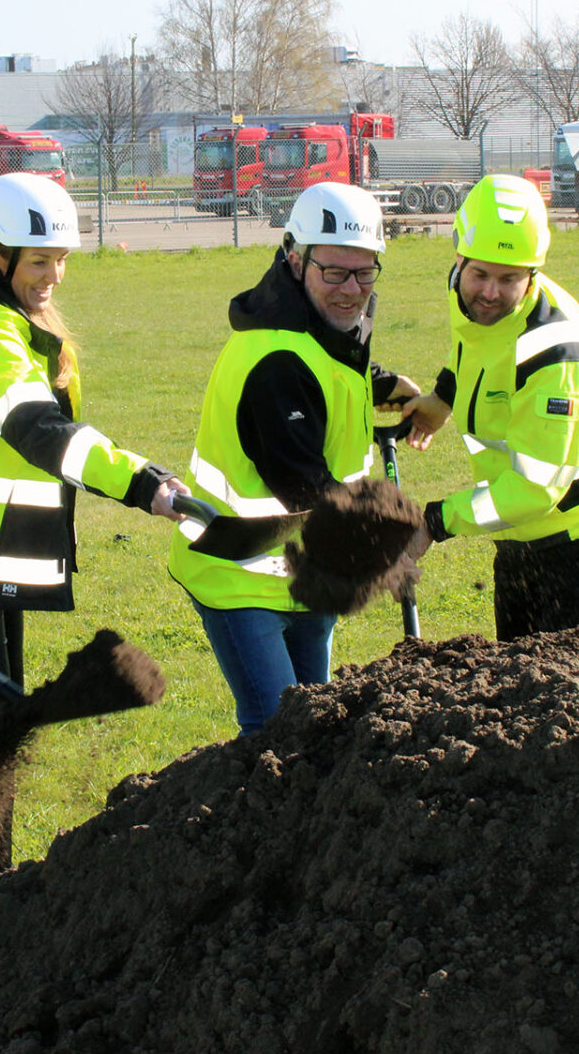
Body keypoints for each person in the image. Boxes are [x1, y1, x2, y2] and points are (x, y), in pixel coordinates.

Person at [0, 172, 186, 779]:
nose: (52, 278)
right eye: (39, 263)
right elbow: (39, 432)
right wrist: (141, 484)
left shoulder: (3, 314)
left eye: (60, 261)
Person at [168, 182, 420, 735]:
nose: (351, 290)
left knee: (317, 719)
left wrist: (383, 386)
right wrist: (379, 548)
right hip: (240, 573)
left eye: (365, 272)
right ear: (293, 256)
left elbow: (328, 379)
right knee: (276, 727)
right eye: (334, 272)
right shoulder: (274, 358)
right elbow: (299, 477)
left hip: (308, 568)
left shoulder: (332, 323)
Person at [402, 173, 579, 642]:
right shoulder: (466, 295)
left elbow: (537, 489)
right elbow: (475, 347)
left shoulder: (557, 355)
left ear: (533, 273)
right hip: (518, 520)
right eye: (480, 274)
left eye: (509, 279)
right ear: (459, 257)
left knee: (560, 684)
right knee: (513, 677)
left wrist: (435, 521)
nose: (490, 293)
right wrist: (444, 398)